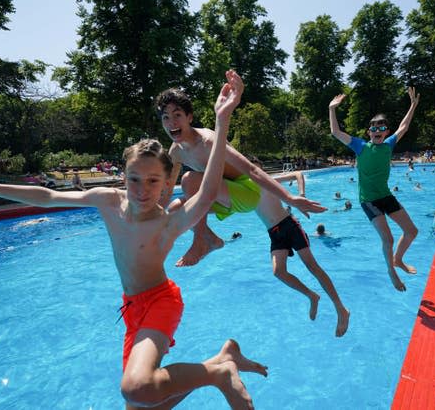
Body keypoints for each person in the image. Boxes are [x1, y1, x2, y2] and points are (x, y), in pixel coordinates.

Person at [0, 70, 268, 409]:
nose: (142, 190)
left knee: (137, 388)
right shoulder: (108, 201)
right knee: (144, 400)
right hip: (133, 307)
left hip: (161, 301)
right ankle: (222, 360)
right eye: (134, 179)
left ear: (166, 184)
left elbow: (206, 194)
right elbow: (45, 197)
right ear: (123, 177)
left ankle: (218, 374)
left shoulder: (169, 222)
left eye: (152, 182)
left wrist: (222, 122)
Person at [157, 87, 325, 267]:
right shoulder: (175, 152)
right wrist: (145, 219)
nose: (172, 122)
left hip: (247, 192)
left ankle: (200, 241)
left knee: (189, 180)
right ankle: (210, 239)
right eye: (166, 117)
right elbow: (167, 191)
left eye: (177, 115)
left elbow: (251, 170)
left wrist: (289, 198)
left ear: (189, 117)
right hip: (221, 196)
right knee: (175, 207)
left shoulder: (208, 141)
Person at [328, 88, 420, 292]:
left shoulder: (389, 144)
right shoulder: (360, 146)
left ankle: (398, 259)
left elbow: (403, 127)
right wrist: (332, 109)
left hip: (385, 196)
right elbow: (335, 132)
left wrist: (412, 105)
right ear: (369, 132)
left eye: (382, 129)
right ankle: (391, 271)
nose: (377, 133)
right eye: (373, 130)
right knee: (388, 238)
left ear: (386, 132)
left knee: (412, 231)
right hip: (369, 200)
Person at [250, 160, 349, 337]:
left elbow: (298, 174)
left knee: (312, 266)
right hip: (274, 232)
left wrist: (301, 197)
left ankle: (341, 309)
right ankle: (312, 296)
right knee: (278, 272)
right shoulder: (242, 188)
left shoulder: (268, 180)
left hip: (289, 225)